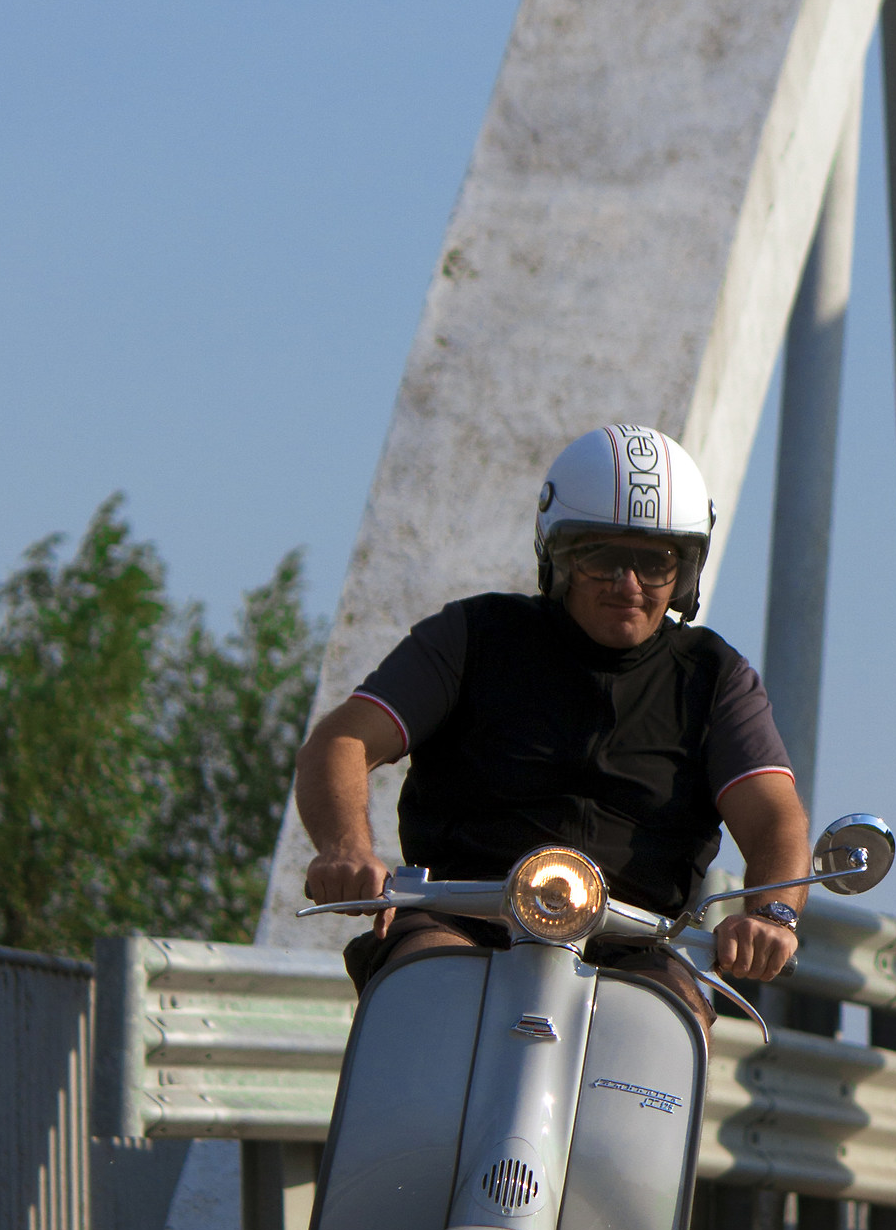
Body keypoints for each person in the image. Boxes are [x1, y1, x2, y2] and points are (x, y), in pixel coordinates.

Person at [295, 424, 809, 1026]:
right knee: (424, 979)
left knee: (672, 1018)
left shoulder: (716, 678)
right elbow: (342, 740)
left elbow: (774, 813)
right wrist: (345, 848)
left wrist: (773, 914)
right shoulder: (472, 637)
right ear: (558, 556)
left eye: (655, 561)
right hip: (461, 922)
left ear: (686, 570)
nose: (629, 584)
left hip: (634, 947)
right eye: (602, 557)